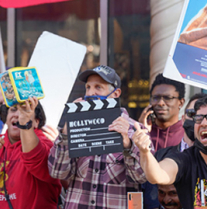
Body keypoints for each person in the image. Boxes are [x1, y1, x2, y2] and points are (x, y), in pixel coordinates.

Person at [48, 65, 147, 208]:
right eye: (88, 87)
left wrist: (127, 145)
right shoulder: (75, 127)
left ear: (116, 93)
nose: (91, 93)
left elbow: (141, 177)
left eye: (98, 87)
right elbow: (58, 172)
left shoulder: (136, 130)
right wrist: (66, 132)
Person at [0, 97, 61, 208]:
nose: (18, 114)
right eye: (13, 109)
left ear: (36, 122)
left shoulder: (48, 146)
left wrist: (25, 125)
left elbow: (36, 159)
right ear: (6, 117)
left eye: (24, 110)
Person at [138, 74, 186, 151]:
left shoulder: (187, 135)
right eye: (156, 98)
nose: (160, 103)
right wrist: (141, 132)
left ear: (181, 102)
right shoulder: (142, 131)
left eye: (168, 98)